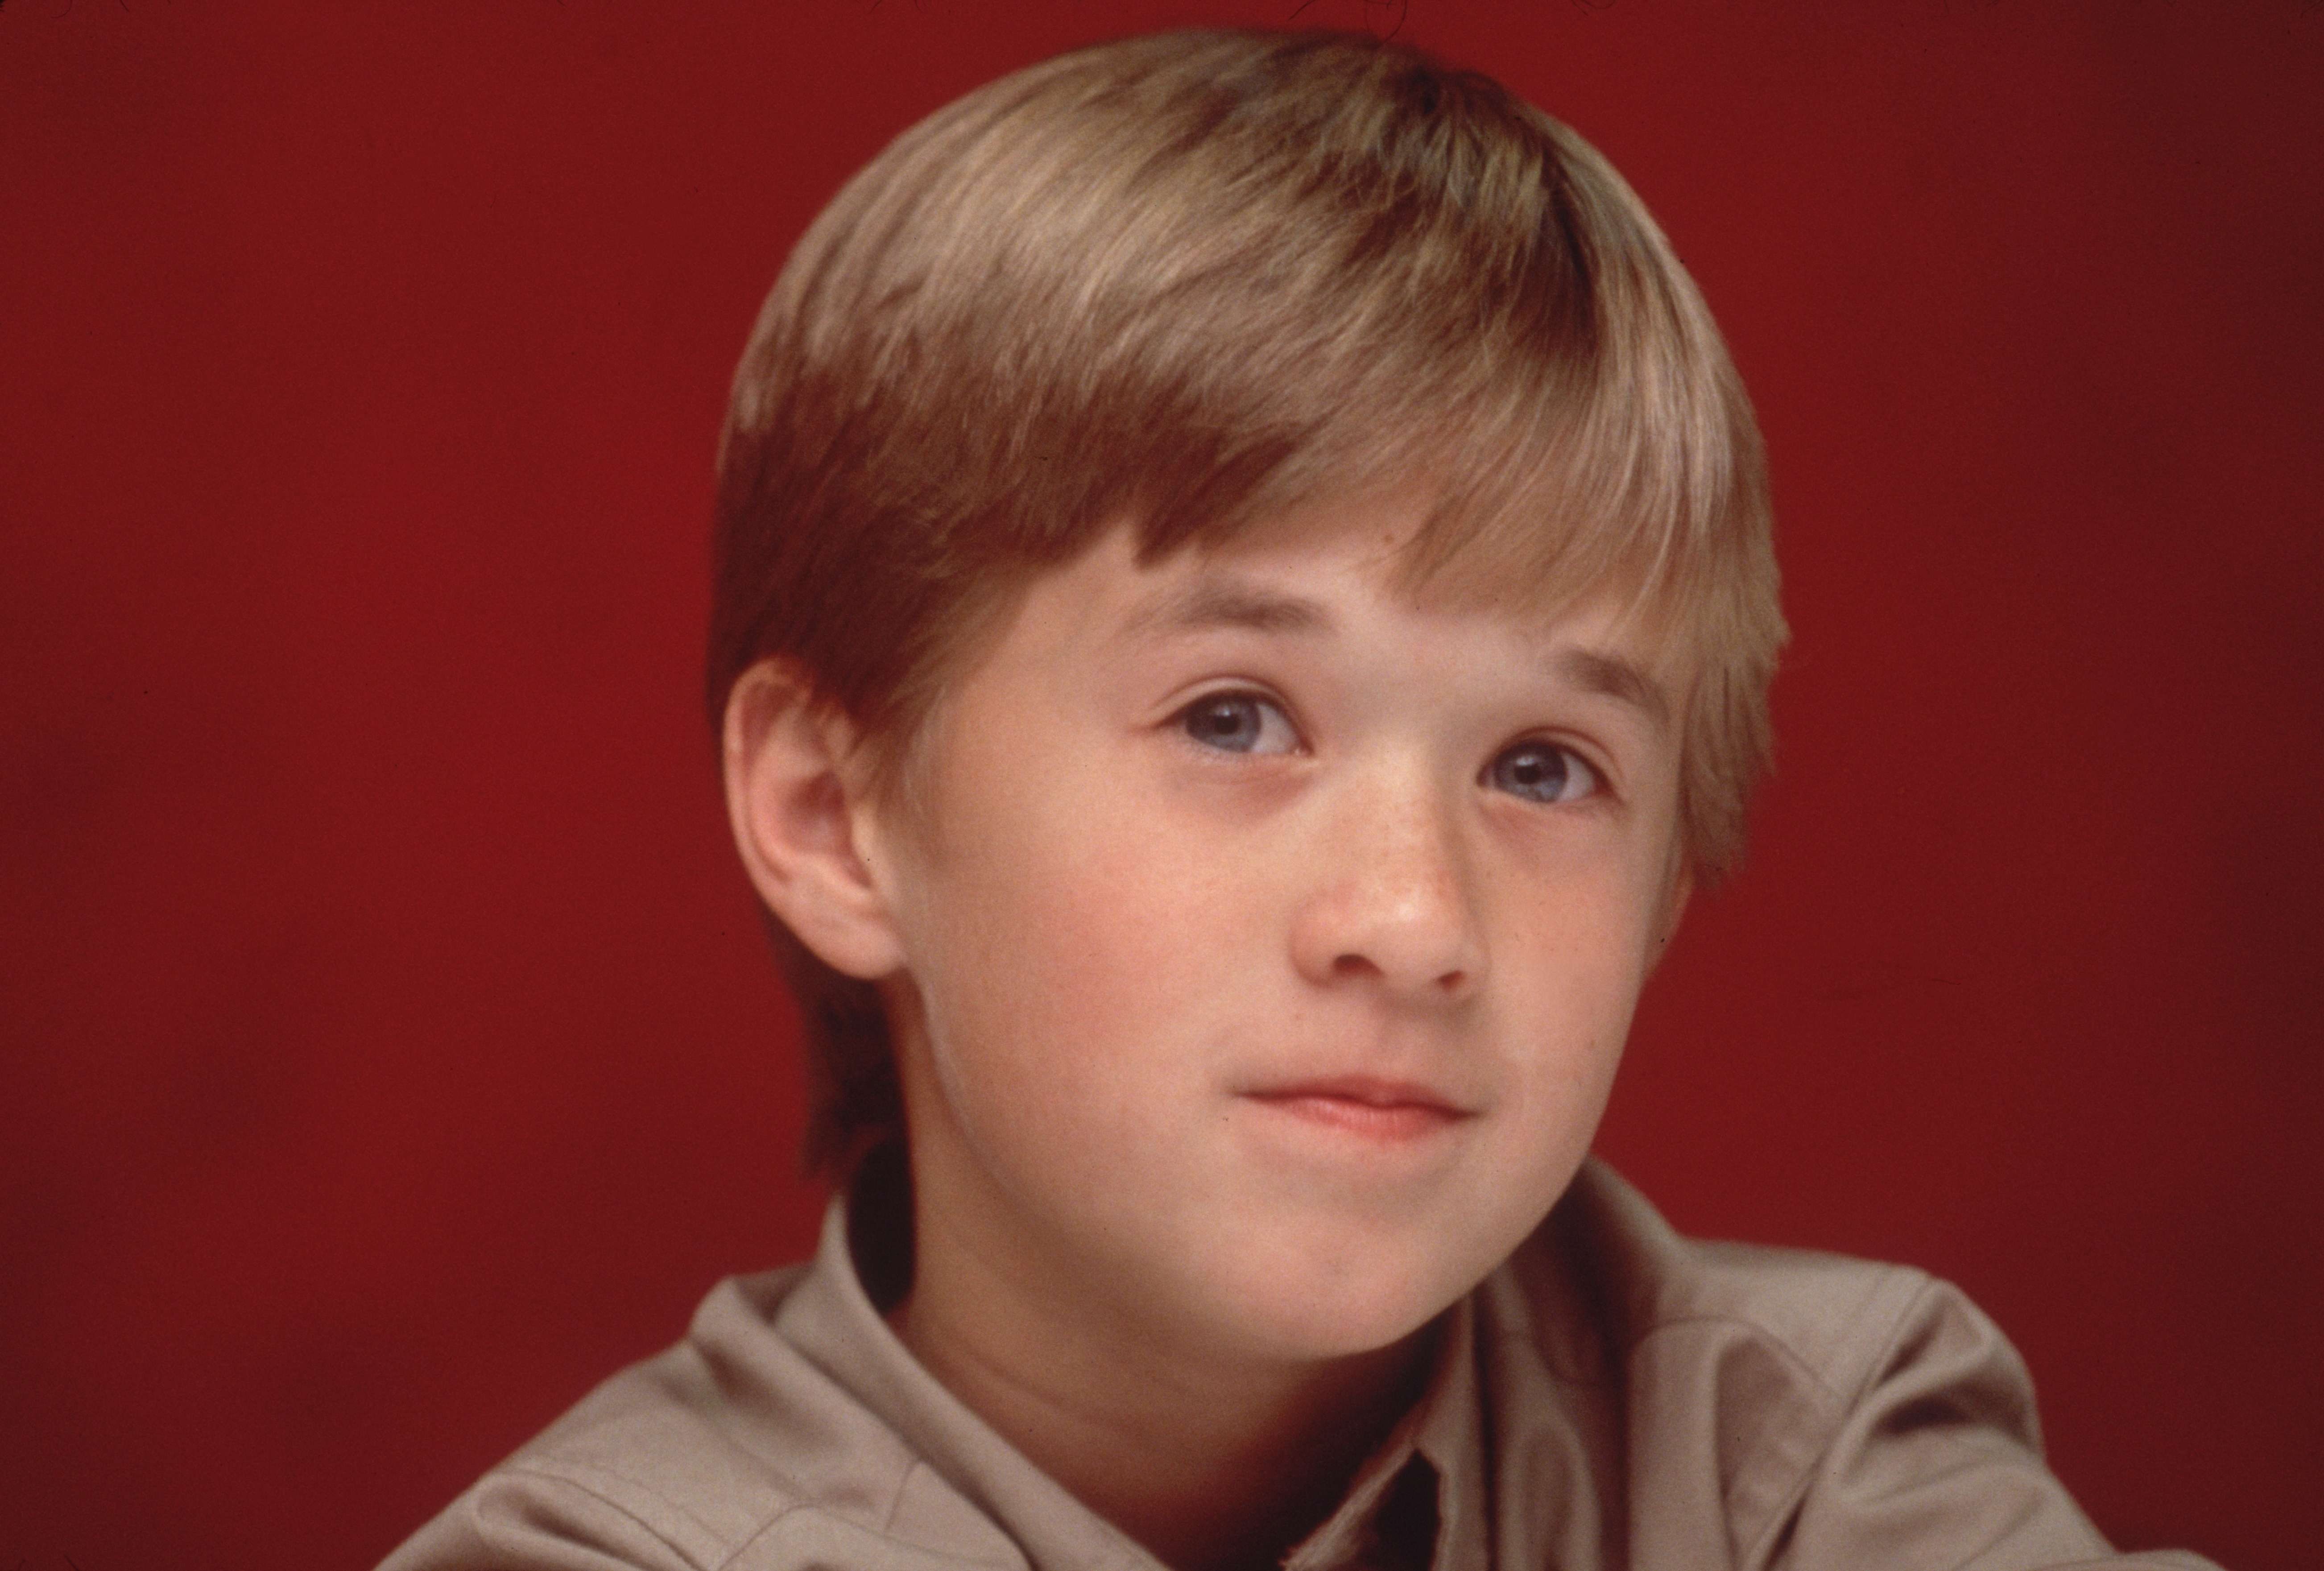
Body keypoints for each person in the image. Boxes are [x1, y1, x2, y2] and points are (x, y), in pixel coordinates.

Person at [382, 29, 2218, 1571]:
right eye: (1237, 716)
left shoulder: (1806, 1462)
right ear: (831, 813)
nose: (1413, 920)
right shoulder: (613, 1550)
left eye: (1540, 767)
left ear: (1667, 893)